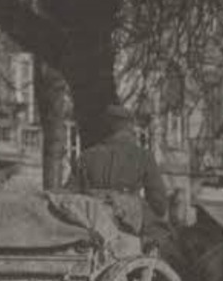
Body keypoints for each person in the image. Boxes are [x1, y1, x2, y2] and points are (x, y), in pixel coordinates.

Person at [72, 103, 175, 257]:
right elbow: (159, 204)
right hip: (128, 228)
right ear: (129, 127)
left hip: (92, 226)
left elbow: (71, 195)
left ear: (106, 128)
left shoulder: (86, 157)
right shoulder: (143, 157)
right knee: (164, 234)